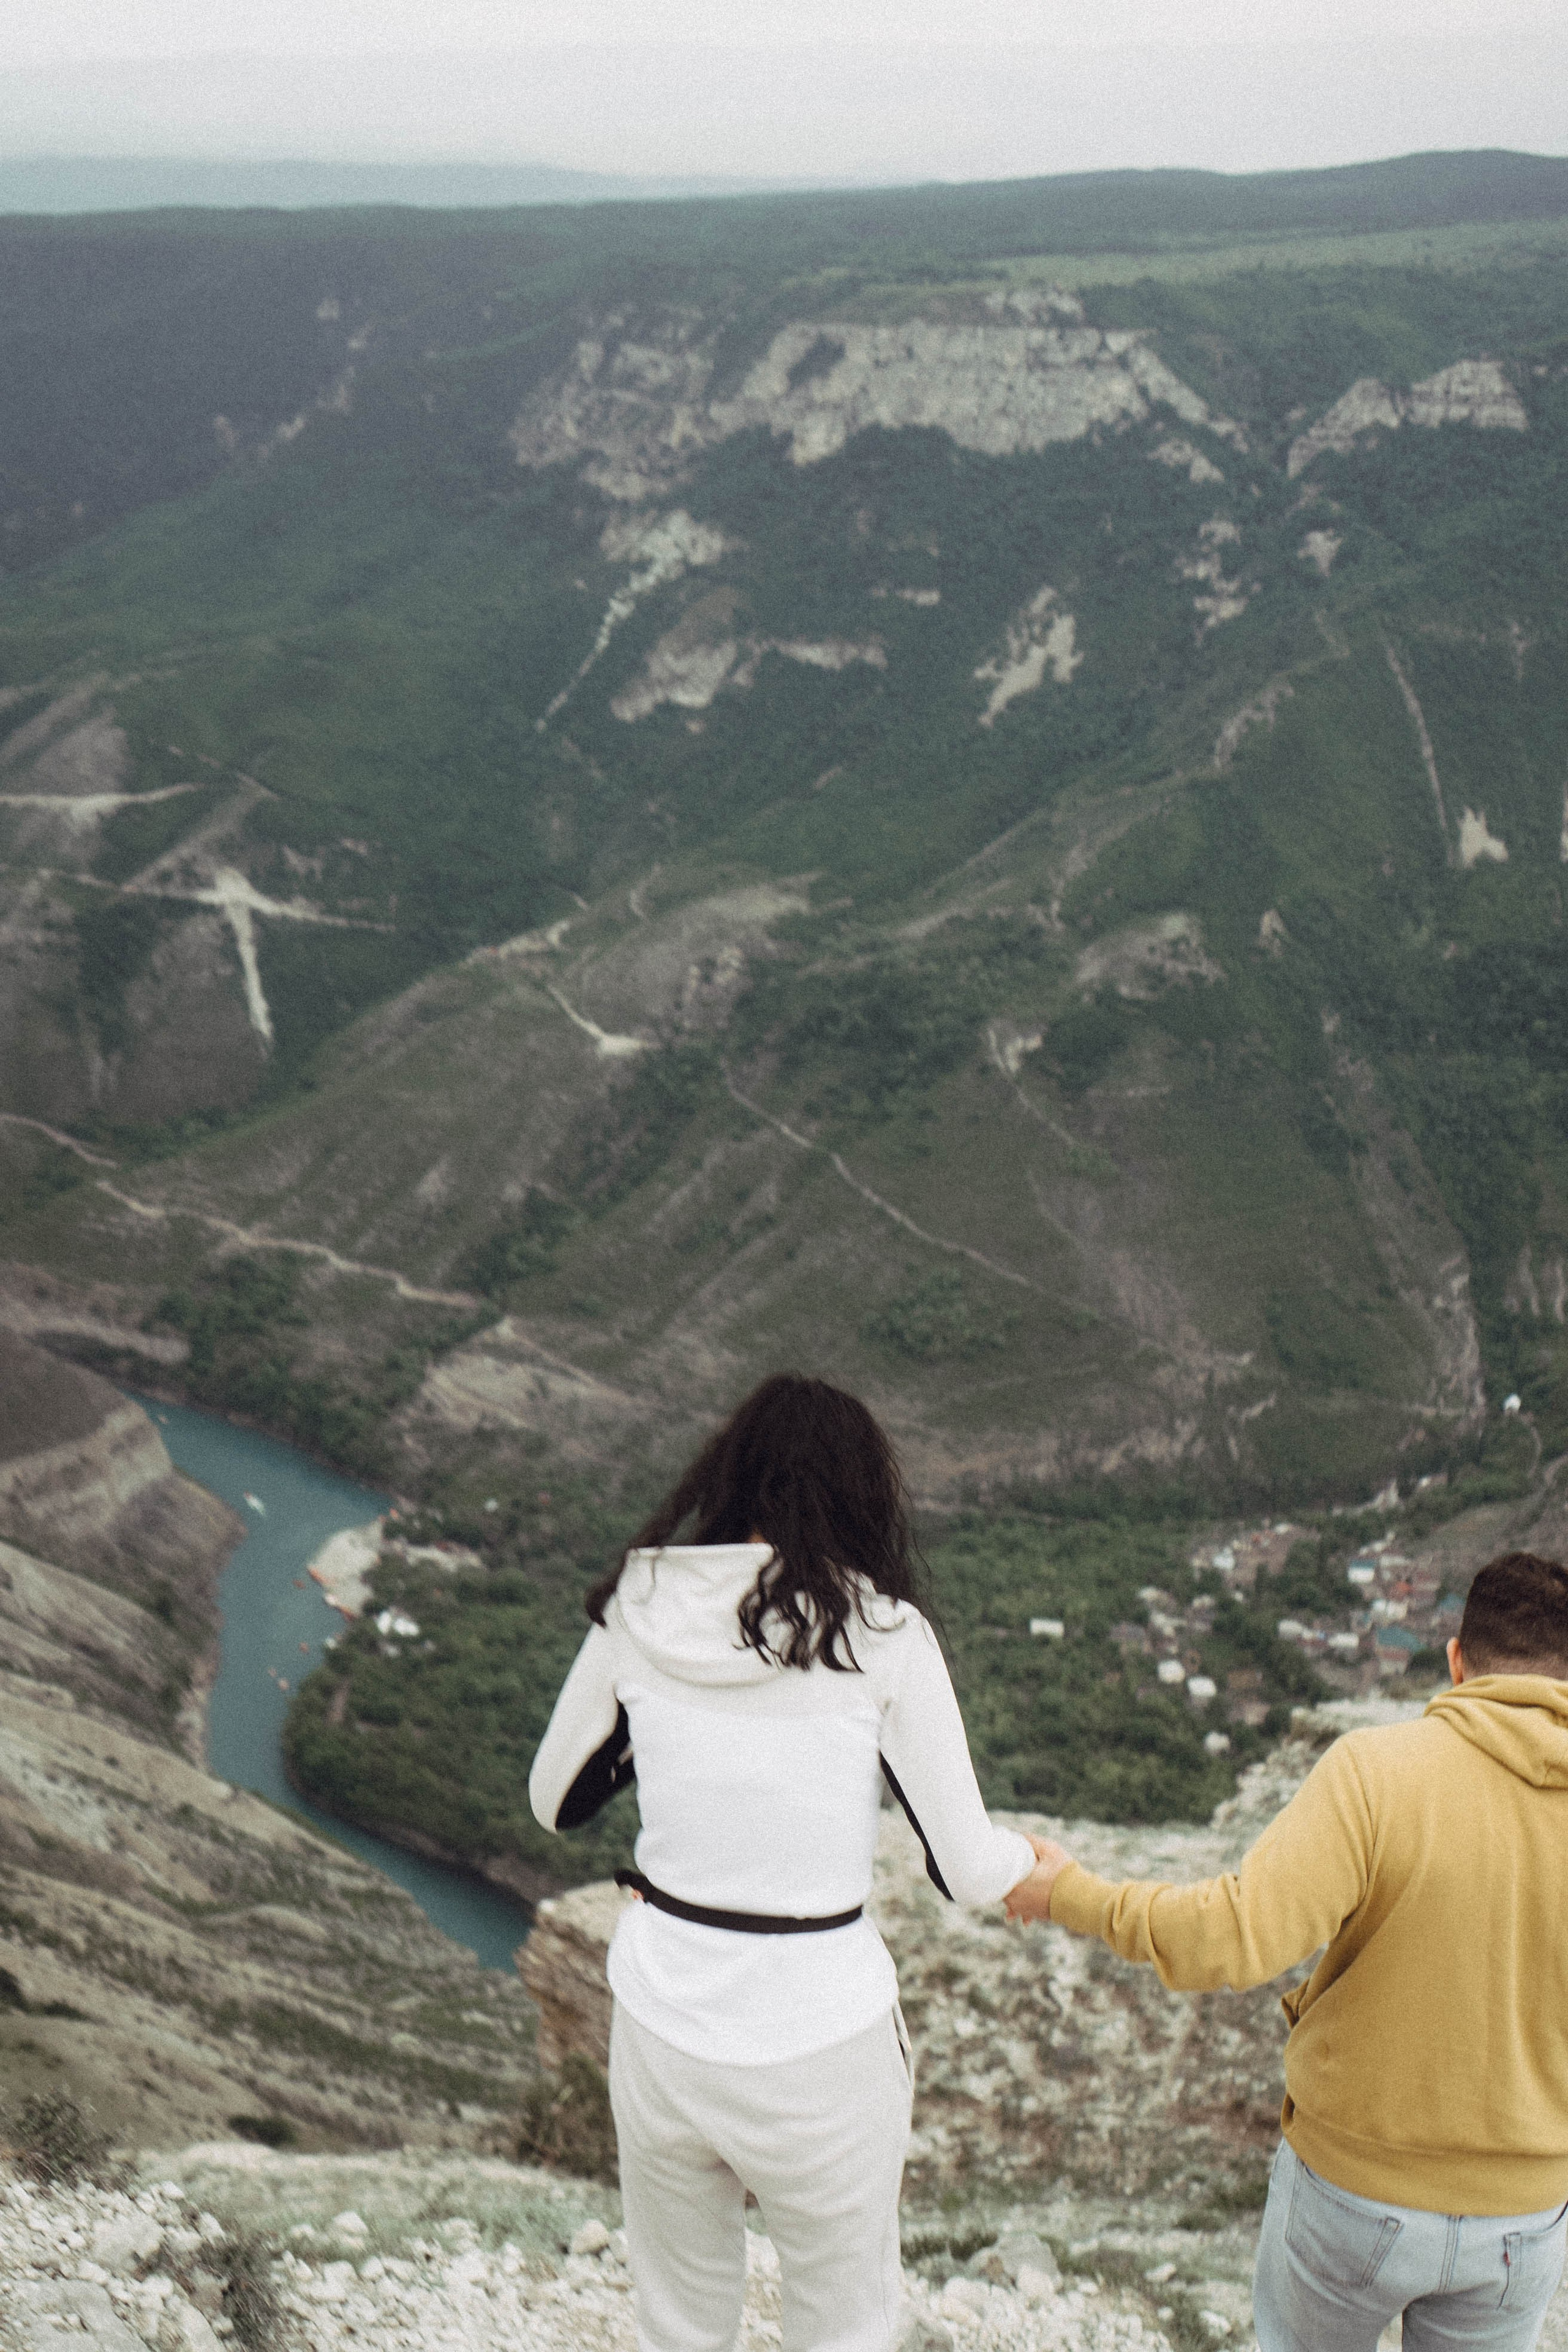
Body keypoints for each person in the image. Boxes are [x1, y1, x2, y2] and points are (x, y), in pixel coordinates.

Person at [529, 1373, 1033, 2352]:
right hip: (823, 2042)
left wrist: (656, 1736)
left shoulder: (644, 1603)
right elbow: (968, 1869)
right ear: (861, 1496)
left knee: (681, 2322)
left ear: (732, 1474)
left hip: (665, 2024)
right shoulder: (883, 1634)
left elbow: (555, 1804)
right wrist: (1032, 1854)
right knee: (843, 2325)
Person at [1005, 1550, 1568, 2352]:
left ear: (1455, 1661)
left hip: (1354, 2194)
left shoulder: (1380, 1773)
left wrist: (1069, 1892)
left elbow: (1230, 1938)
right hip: (1525, 2217)